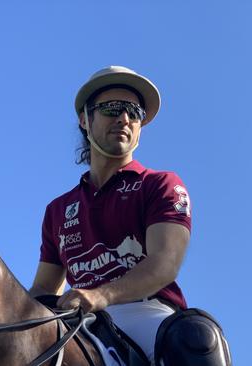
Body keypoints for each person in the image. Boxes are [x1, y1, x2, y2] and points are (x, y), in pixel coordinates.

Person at [29, 66, 230, 365]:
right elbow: (45, 288)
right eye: (112, 108)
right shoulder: (57, 209)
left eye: (133, 111)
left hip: (145, 314)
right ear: (85, 119)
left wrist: (100, 296)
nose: (123, 118)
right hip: (76, 319)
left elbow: (164, 264)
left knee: (197, 337)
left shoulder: (161, 184)